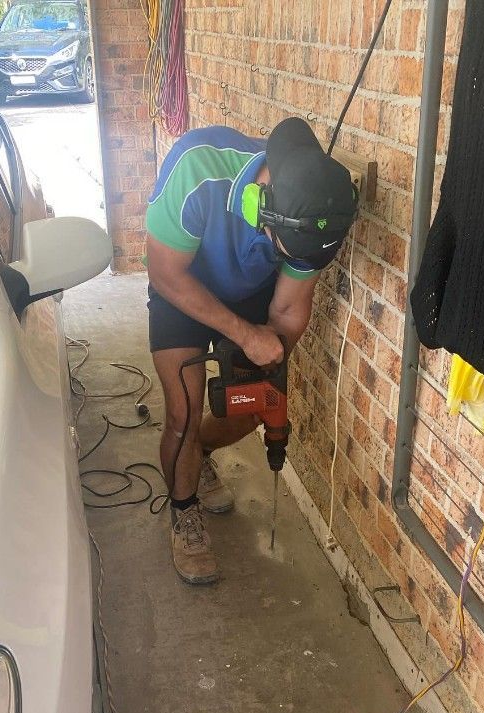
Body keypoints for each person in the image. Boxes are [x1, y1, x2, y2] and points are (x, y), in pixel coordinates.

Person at [146, 117, 358, 584]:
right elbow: (164, 274)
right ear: (258, 204)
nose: (292, 260)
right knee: (184, 410)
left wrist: (268, 365)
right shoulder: (197, 169)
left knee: (253, 405)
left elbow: (287, 310)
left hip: (248, 294)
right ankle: (184, 511)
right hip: (183, 284)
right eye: (284, 250)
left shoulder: (314, 218)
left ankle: (195, 460)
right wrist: (244, 336)